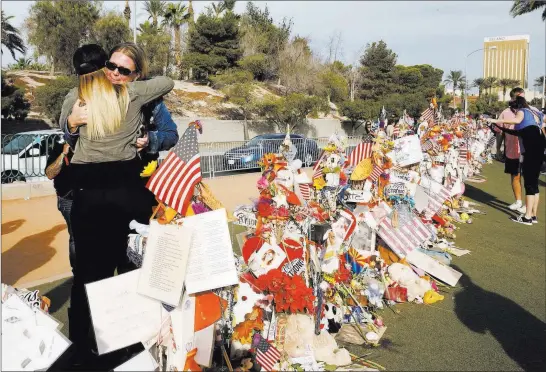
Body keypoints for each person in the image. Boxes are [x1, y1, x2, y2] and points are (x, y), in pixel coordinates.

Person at [58, 44, 174, 364]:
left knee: (105, 274)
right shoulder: (129, 94)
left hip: (100, 193)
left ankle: (100, 347)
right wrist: (132, 82)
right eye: (112, 67)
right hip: (113, 193)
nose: (115, 73)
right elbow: (167, 82)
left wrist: (71, 121)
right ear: (104, 66)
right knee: (108, 273)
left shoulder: (79, 96)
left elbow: (64, 133)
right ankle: (107, 347)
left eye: (124, 70)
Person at [488, 96, 545, 225]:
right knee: (534, 186)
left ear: (516, 107)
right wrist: (499, 125)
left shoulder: (522, 112)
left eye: (513, 109)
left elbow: (516, 121)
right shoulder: (535, 117)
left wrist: (494, 119)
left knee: (529, 185)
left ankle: (527, 217)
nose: (514, 113)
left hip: (530, 154)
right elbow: (514, 132)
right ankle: (533, 215)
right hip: (538, 152)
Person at [45, 137, 75, 269]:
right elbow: (49, 173)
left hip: (90, 197)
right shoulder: (59, 149)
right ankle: (78, 273)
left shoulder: (88, 147)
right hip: (68, 199)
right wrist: (63, 154)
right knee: (76, 236)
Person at [498, 90, 526, 213]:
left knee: (529, 178)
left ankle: (528, 203)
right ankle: (518, 201)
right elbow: (500, 132)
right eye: (519, 97)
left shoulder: (529, 112)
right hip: (511, 151)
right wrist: (498, 148)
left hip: (527, 151)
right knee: (515, 176)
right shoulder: (505, 113)